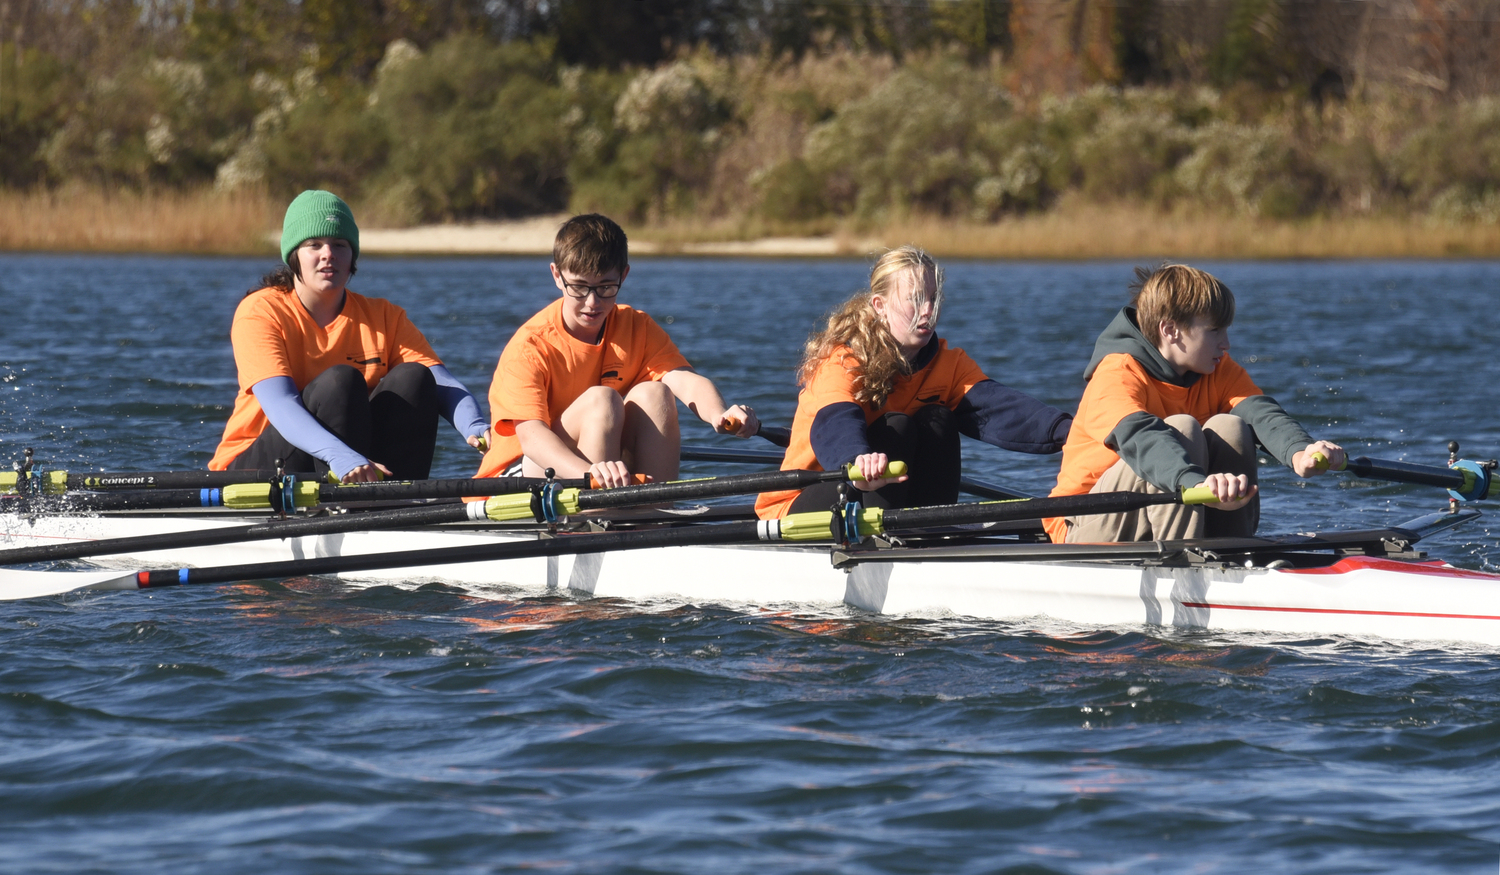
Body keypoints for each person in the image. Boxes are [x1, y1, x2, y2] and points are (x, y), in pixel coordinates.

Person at [755, 245, 1073, 519]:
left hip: (881, 494)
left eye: (933, 299)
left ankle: (927, 530)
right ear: (879, 306)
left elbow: (1003, 409)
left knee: (938, 420)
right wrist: (856, 460)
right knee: (898, 426)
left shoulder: (948, 364)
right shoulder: (842, 361)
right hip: (800, 501)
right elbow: (834, 422)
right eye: (916, 300)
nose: (929, 311)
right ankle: (886, 543)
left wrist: (1073, 432)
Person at [1045, 263, 1346, 543]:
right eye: (1214, 331)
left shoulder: (1214, 368)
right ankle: (1182, 564)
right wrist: (1194, 482)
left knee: (1230, 427)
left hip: (1158, 510)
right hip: (1081, 523)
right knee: (1181, 428)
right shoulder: (1116, 373)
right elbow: (1142, 439)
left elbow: (1261, 413)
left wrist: (1300, 451)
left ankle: (1233, 552)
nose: (1226, 343)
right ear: (1170, 330)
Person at [209, 190, 488, 483]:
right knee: (340, 381)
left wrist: (474, 424)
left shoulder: (383, 316)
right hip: (254, 466)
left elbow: (443, 384)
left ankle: (394, 502)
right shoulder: (260, 311)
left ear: (352, 255)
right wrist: (337, 453)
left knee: (414, 378)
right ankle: (347, 503)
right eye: (314, 245)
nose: (328, 254)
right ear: (294, 256)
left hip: (347, 461)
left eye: (339, 245)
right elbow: (280, 403)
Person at [474, 213, 758, 489]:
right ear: (557, 276)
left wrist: (719, 414)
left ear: (624, 275)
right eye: (580, 287)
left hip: (597, 476)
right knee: (603, 400)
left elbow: (684, 380)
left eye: (606, 287)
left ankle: (652, 516)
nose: (592, 302)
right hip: (519, 474)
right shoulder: (529, 347)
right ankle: (600, 514)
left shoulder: (636, 326)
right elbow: (532, 438)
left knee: (655, 393)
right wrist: (590, 474)